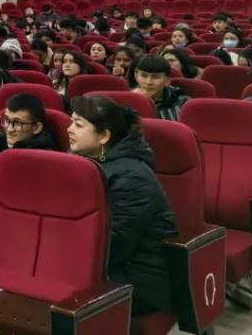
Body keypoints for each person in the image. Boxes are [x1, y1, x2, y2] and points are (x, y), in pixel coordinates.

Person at [67, 95, 177, 316]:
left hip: (136, 280)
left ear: (104, 136)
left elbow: (115, 246)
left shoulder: (131, 178)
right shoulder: (84, 161)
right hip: (99, 265)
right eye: (71, 122)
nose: (69, 129)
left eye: (78, 125)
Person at [0, 94, 58, 242]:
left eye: (17, 123)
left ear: (37, 127)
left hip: (17, 232)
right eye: (7, 121)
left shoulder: (47, 161)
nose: (9, 129)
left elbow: (33, 208)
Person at [131, 55, 189, 120]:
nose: (148, 82)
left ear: (167, 80)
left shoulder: (182, 102)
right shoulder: (127, 100)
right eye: (144, 76)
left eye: (155, 77)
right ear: (136, 76)